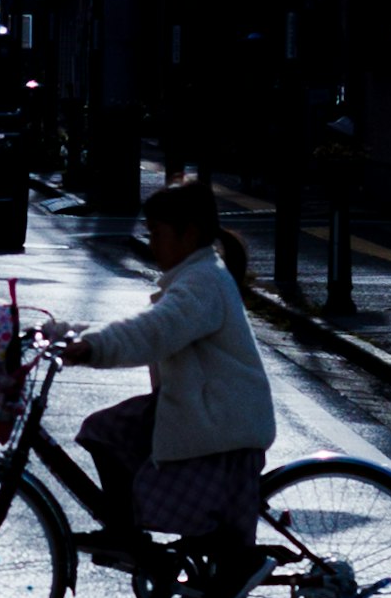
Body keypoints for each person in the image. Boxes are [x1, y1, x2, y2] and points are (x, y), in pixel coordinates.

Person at [53, 171, 275, 571]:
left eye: (156, 233)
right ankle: (129, 531)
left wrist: (93, 348)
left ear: (187, 234)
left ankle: (127, 534)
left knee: (107, 431)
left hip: (220, 420)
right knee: (114, 429)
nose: (151, 243)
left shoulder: (202, 283)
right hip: (204, 409)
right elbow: (153, 327)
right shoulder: (196, 276)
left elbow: (155, 332)